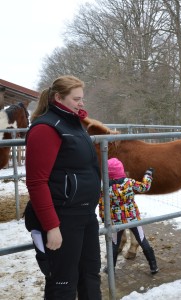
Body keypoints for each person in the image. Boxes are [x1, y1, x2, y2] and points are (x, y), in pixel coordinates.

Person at [25, 75, 102, 299]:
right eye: (76, 98)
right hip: (63, 218)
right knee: (63, 283)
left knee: (90, 275)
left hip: (86, 214)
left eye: (82, 99)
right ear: (58, 97)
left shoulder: (74, 124)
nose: (82, 103)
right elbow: (36, 183)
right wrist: (52, 226)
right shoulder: (46, 129)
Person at [99, 157, 159, 274]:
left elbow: (102, 204)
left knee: (114, 244)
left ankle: (111, 268)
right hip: (133, 218)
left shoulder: (104, 187)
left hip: (116, 221)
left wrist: (104, 218)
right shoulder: (129, 182)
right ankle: (153, 266)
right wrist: (148, 174)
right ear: (121, 171)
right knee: (142, 240)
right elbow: (144, 187)